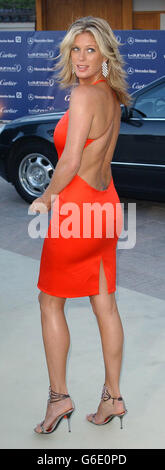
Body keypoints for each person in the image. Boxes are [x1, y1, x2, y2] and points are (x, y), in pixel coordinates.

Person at [29, 16, 132, 434]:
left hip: (75, 212)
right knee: (104, 302)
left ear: (105, 54)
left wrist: (45, 197)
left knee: (50, 302)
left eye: (91, 49)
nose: (82, 57)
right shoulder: (113, 95)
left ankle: (59, 399)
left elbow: (70, 162)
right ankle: (112, 398)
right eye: (76, 49)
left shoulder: (84, 95)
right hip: (105, 207)